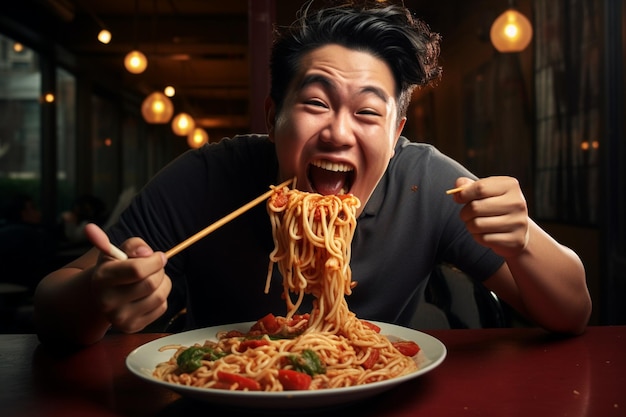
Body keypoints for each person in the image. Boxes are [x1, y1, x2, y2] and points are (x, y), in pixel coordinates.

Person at [33, 0, 591, 347]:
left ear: (396, 135)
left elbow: (572, 312)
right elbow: (52, 309)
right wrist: (97, 294)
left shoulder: (429, 180)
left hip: (374, 391)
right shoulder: (207, 177)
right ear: (273, 115)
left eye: (369, 112)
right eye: (317, 103)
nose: (340, 133)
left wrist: (521, 244)